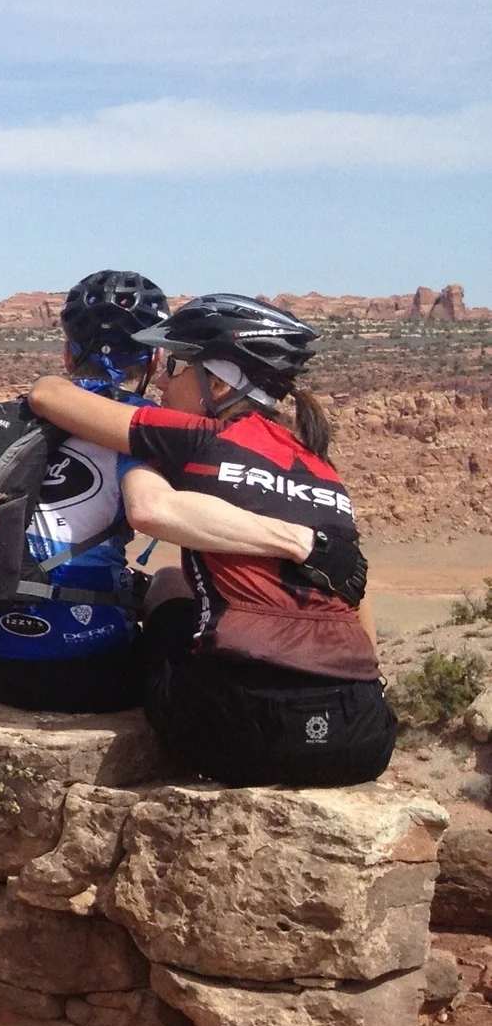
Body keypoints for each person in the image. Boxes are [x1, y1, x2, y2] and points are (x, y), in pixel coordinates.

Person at [28, 292, 392, 788]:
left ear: (218, 383)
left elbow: (48, 396)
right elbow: (355, 592)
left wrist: (136, 447)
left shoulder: (196, 435)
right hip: (361, 738)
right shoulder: (322, 469)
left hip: (242, 735)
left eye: (175, 366)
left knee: (164, 586)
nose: (161, 378)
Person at [0, 270, 167, 713]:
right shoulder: (145, 428)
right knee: (173, 588)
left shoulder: (11, 419)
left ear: (68, 354)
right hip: (90, 669)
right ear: (155, 359)